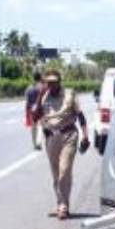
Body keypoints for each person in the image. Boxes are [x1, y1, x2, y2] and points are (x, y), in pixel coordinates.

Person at [32, 70, 89, 220]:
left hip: (68, 136)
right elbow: (35, 117)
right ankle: (61, 203)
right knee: (56, 174)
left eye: (54, 82)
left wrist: (85, 136)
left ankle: (63, 206)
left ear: (59, 82)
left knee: (65, 170)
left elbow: (81, 117)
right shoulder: (44, 97)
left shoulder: (70, 95)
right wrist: (40, 96)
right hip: (51, 137)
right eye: (49, 83)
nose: (51, 85)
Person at [24, 72, 43, 150]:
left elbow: (27, 101)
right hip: (40, 109)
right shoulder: (41, 88)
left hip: (31, 110)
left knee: (33, 127)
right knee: (41, 126)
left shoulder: (29, 88)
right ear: (40, 78)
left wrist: (27, 110)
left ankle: (34, 144)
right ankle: (39, 142)